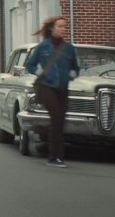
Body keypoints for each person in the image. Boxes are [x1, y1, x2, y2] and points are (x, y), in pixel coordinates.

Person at [24, 16, 80, 168]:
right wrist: (38, 71)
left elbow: (75, 67)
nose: (63, 29)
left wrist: (74, 73)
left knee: (60, 121)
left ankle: (57, 156)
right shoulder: (42, 47)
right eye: (60, 26)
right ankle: (53, 157)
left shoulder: (69, 48)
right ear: (52, 28)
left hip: (62, 87)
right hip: (46, 86)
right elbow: (29, 65)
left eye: (64, 26)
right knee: (55, 117)